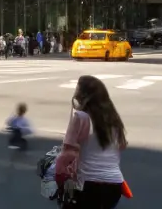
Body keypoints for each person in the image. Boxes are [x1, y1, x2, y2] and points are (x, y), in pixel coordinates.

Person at [55, 76, 129, 208]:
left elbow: (68, 153)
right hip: (115, 184)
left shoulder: (81, 117)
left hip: (89, 184)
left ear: (82, 93)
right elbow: (120, 146)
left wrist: (59, 178)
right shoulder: (114, 120)